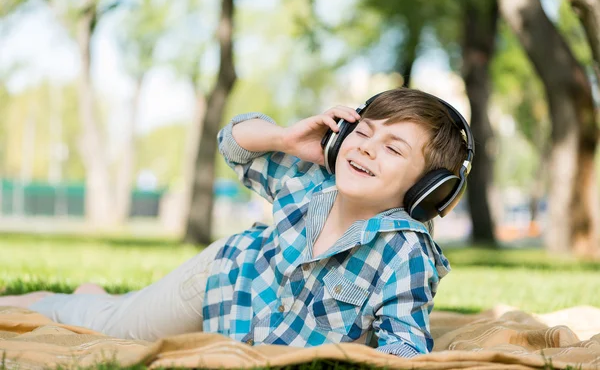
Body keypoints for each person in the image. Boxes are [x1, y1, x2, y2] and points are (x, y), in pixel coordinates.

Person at [0, 88, 472, 358]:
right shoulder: (310, 179)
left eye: (393, 148)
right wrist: (286, 138)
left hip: (245, 338)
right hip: (217, 283)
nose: (367, 147)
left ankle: (98, 296)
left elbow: (405, 344)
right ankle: (67, 301)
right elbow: (235, 142)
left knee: (120, 313)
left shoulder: (405, 254)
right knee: (108, 325)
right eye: (363, 132)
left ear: (430, 189)